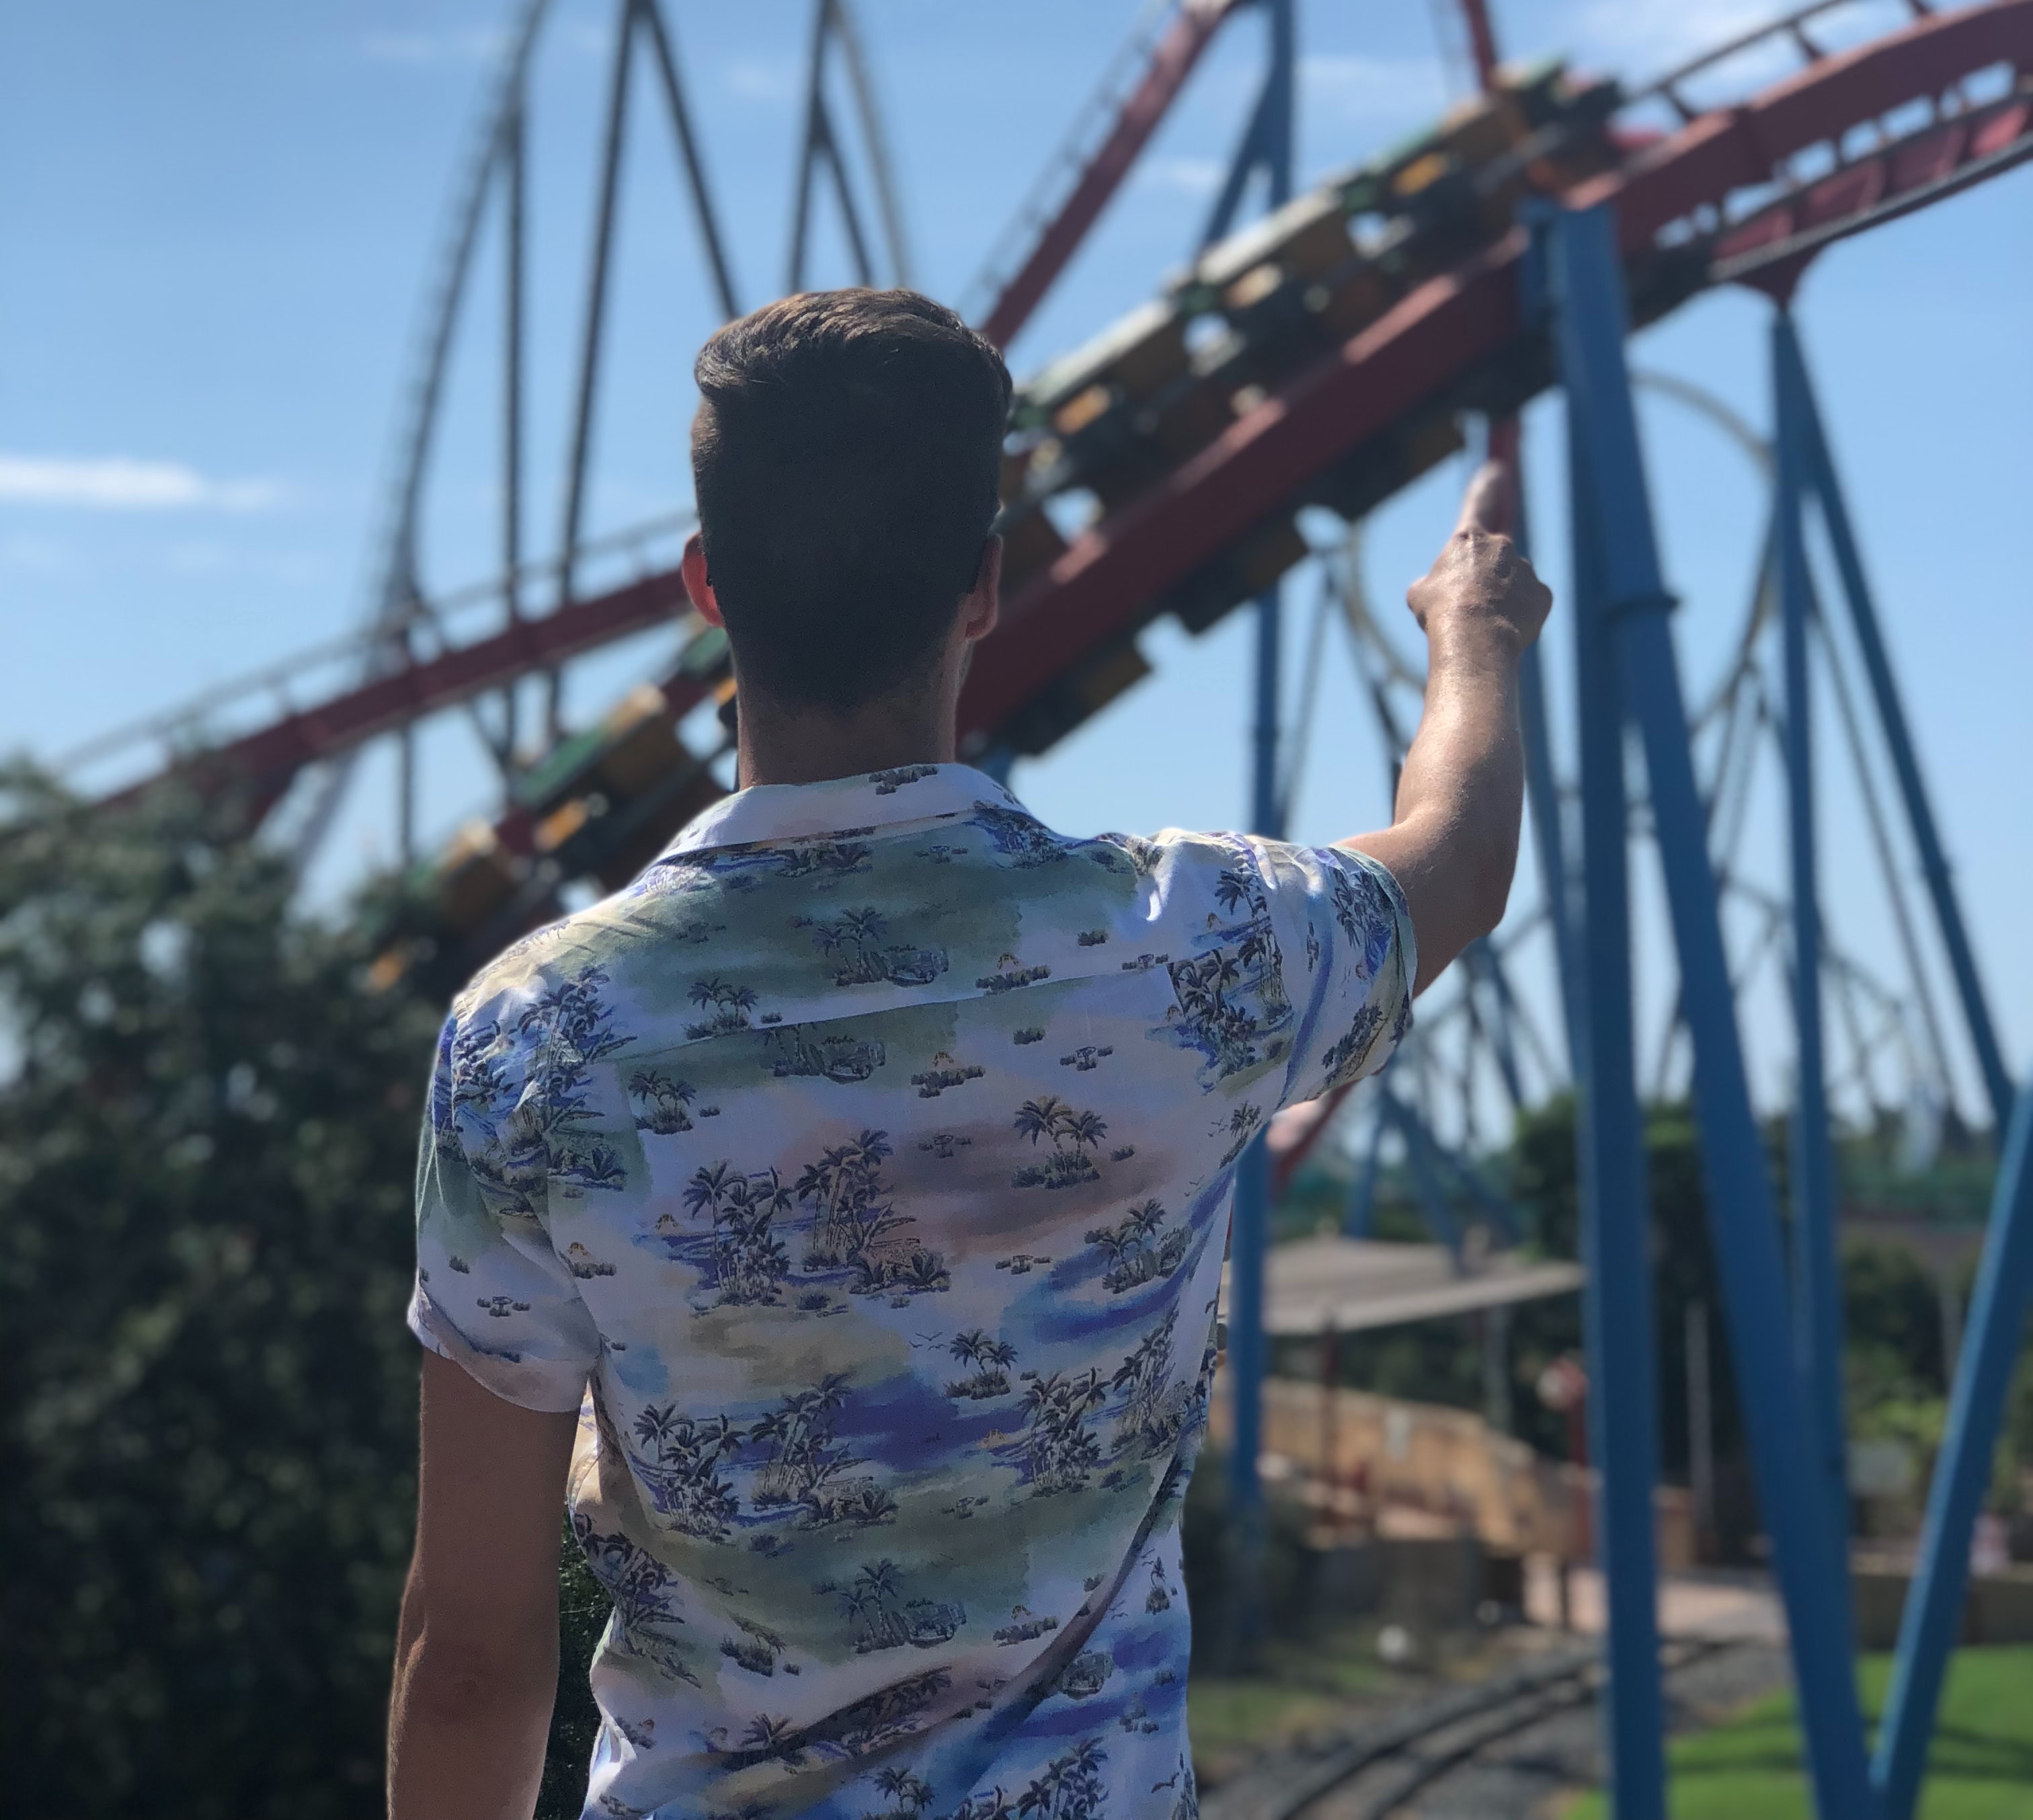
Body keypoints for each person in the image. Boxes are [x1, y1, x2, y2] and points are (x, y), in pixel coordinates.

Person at [387, 288, 1550, 1820]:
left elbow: (469, 1654)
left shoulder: (536, 1040)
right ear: (985, 587)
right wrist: (1474, 634)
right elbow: (1456, 862)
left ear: (706, 588)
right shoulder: (1189, 945)